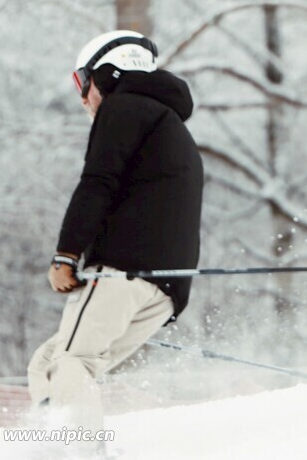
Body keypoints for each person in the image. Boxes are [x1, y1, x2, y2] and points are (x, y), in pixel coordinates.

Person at [27, 30, 203, 438]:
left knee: (71, 362)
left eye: (81, 81)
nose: (82, 98)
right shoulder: (170, 126)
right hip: (165, 287)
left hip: (122, 273)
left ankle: (78, 449)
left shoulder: (122, 108)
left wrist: (67, 254)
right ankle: (51, 438)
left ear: (107, 74)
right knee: (46, 364)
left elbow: (97, 182)